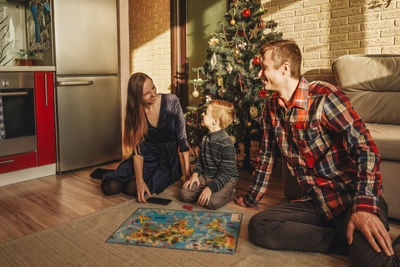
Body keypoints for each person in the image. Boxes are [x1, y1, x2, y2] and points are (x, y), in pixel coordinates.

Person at [235, 40, 400, 266]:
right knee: (260, 227)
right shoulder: (271, 107)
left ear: (284, 69)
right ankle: (347, 241)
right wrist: (251, 197)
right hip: (316, 201)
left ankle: (360, 236)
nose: (259, 73)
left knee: (381, 264)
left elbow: (366, 148)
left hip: (349, 197)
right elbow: (267, 156)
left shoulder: (324, 96)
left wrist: (363, 207)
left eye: (263, 67)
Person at [91, 72, 190, 202]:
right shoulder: (135, 113)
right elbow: (138, 152)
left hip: (167, 160)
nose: (153, 94)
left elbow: (183, 141)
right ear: (137, 97)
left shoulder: (172, 101)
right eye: (146, 94)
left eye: (153, 88)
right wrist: (139, 181)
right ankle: (126, 176)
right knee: (109, 187)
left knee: (131, 189)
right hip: (145, 157)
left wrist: (187, 176)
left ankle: (134, 180)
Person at [180, 100, 238, 209]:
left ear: (215, 122)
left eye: (206, 113)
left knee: (211, 202)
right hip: (207, 176)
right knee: (185, 194)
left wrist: (210, 188)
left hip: (225, 179)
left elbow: (225, 173)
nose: (203, 115)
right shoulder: (206, 138)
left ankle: (229, 192)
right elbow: (201, 162)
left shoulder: (226, 144)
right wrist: (195, 174)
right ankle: (206, 189)